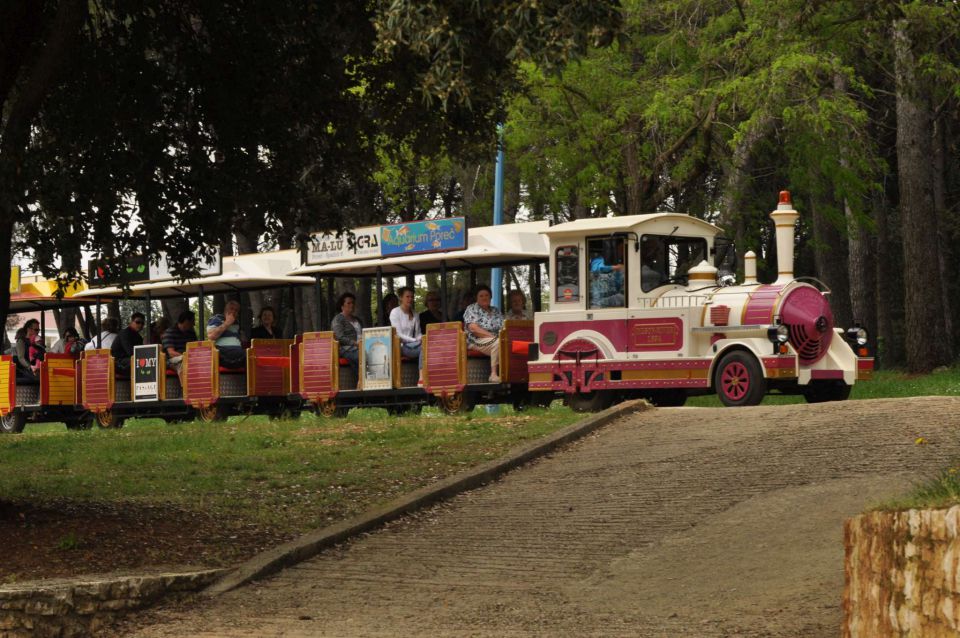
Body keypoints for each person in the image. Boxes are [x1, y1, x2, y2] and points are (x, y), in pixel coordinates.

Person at [463, 284, 504, 383]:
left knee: (507, 343)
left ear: (490, 297)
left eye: (486, 295)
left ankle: (507, 374)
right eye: (481, 296)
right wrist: (493, 337)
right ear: (476, 298)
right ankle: (493, 375)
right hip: (476, 341)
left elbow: (503, 326)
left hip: (495, 339)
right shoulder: (472, 308)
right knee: (498, 343)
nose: (484, 298)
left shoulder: (496, 310)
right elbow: (474, 329)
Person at [389, 286, 423, 383]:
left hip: (414, 345)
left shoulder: (416, 314)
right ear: (401, 298)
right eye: (407, 296)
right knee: (424, 347)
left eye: (412, 297)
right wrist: (415, 340)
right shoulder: (395, 312)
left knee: (427, 345)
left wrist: (421, 338)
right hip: (401, 346)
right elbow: (398, 334)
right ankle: (422, 377)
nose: (410, 299)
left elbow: (418, 333)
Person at [206, 299, 245, 368]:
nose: (233, 311)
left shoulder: (236, 324)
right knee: (248, 355)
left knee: (252, 355)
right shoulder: (216, 319)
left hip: (236, 354)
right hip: (222, 353)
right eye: (231, 309)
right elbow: (211, 336)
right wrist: (227, 323)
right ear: (225, 310)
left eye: (236, 310)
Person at [331, 292, 363, 376]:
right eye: (348, 303)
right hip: (346, 348)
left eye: (353, 303)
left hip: (362, 346)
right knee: (361, 356)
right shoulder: (338, 319)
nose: (351, 305)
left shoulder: (357, 320)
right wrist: (355, 343)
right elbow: (339, 337)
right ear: (342, 306)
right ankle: (361, 381)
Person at [162, 310, 197, 381]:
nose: (194, 324)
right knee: (184, 364)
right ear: (186, 321)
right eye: (193, 321)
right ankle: (185, 388)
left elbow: (195, 349)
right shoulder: (170, 332)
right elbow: (171, 353)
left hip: (190, 358)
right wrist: (186, 357)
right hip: (173, 360)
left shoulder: (191, 333)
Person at [590, 243, 625, 308]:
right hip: (597, 304)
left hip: (610, 303)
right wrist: (615, 267)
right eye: (620, 250)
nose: (622, 253)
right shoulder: (598, 260)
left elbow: (617, 284)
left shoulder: (618, 264)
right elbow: (596, 269)